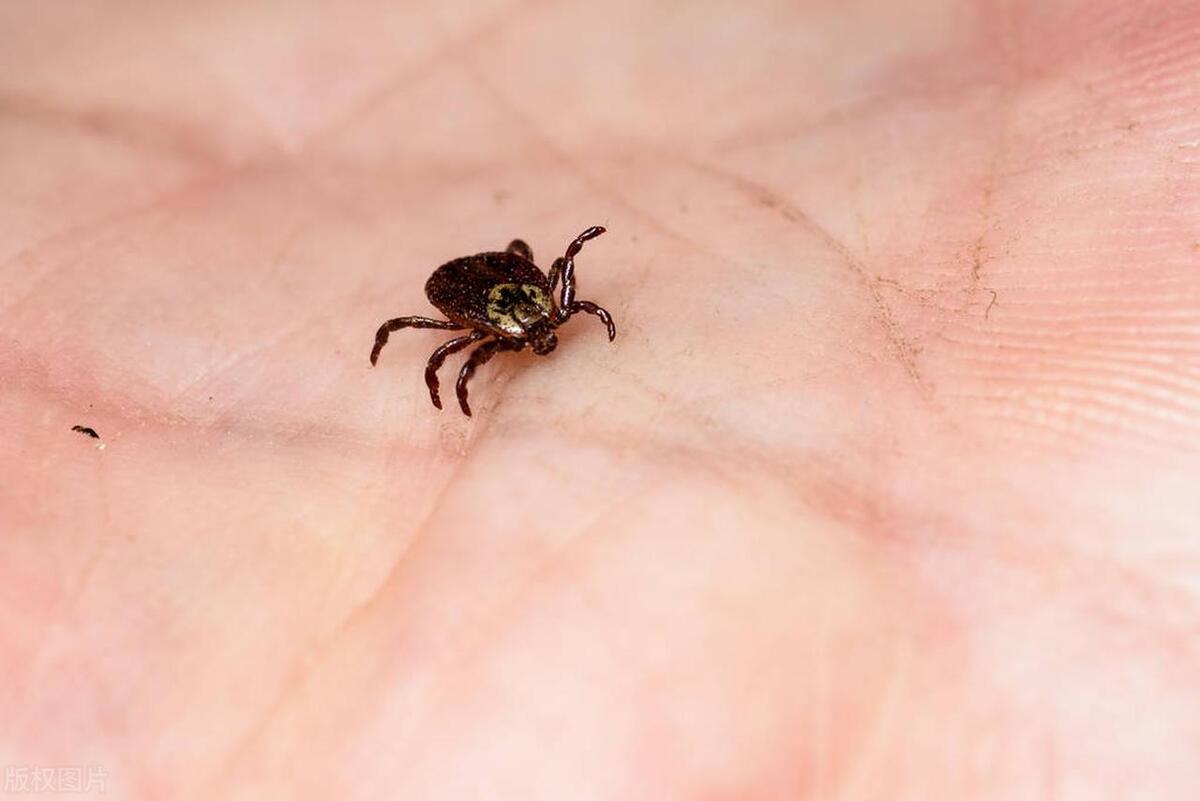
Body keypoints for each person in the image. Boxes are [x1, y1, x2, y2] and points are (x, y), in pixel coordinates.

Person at [2, 1, 1197, 797]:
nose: (540, 326)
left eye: (544, 309)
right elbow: (442, 337)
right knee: (449, 324)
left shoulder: (543, 299)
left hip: (482, 254)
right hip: (454, 267)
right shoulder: (463, 328)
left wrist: (572, 297)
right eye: (521, 321)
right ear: (485, 329)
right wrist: (481, 363)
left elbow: (561, 282)